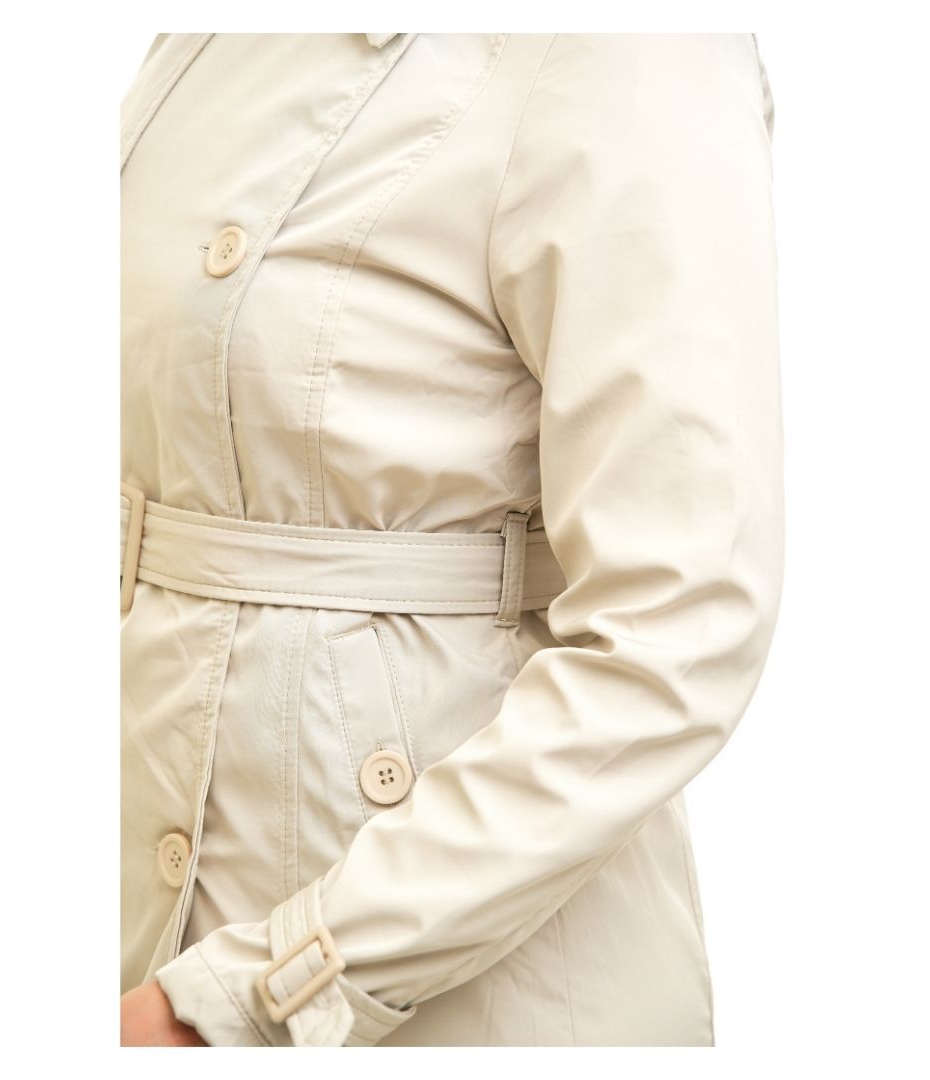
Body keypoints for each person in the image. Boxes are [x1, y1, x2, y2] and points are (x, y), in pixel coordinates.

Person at [119, 31, 783, 1047]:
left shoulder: (630, 54)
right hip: (154, 904)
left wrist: (259, 995)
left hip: (446, 958)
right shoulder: (212, 41)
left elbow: (678, 626)